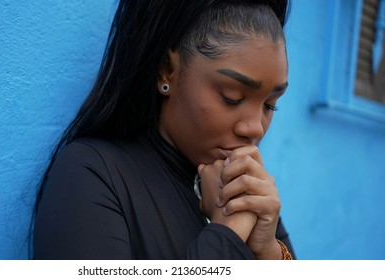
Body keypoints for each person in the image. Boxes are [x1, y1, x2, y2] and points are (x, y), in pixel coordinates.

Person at [33, 0, 295, 260]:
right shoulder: (93, 173)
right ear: (167, 71)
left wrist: (269, 251)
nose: (255, 127)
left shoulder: (246, 191)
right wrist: (228, 232)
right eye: (232, 97)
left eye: (270, 105)